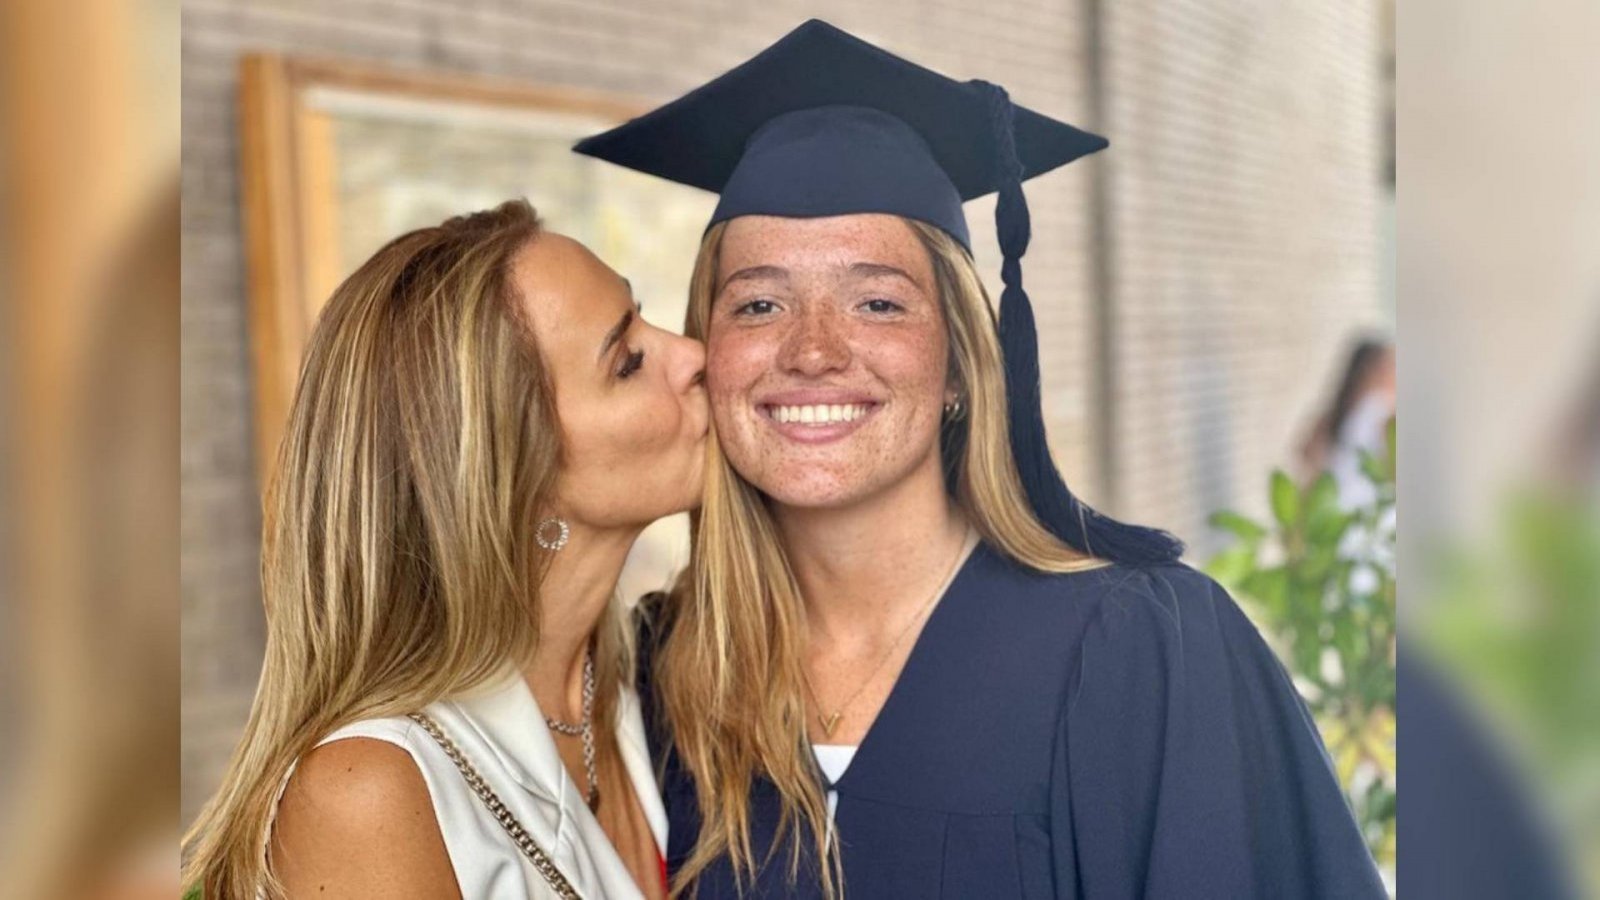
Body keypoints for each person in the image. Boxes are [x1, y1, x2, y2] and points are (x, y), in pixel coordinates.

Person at [577, 20, 1387, 898]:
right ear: (708, 353)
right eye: (760, 304)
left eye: (878, 303)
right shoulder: (662, 680)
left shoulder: (1145, 651)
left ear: (962, 362)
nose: (812, 351)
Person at [180, 200, 706, 899]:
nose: (693, 354)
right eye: (628, 360)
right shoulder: (366, 793)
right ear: (516, 473)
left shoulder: (644, 689)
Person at [1298, 336, 1396, 509]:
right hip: (1348, 514)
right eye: (1390, 367)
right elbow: (1307, 456)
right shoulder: (1376, 414)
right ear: (1370, 370)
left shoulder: (1380, 415)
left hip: (1350, 514)